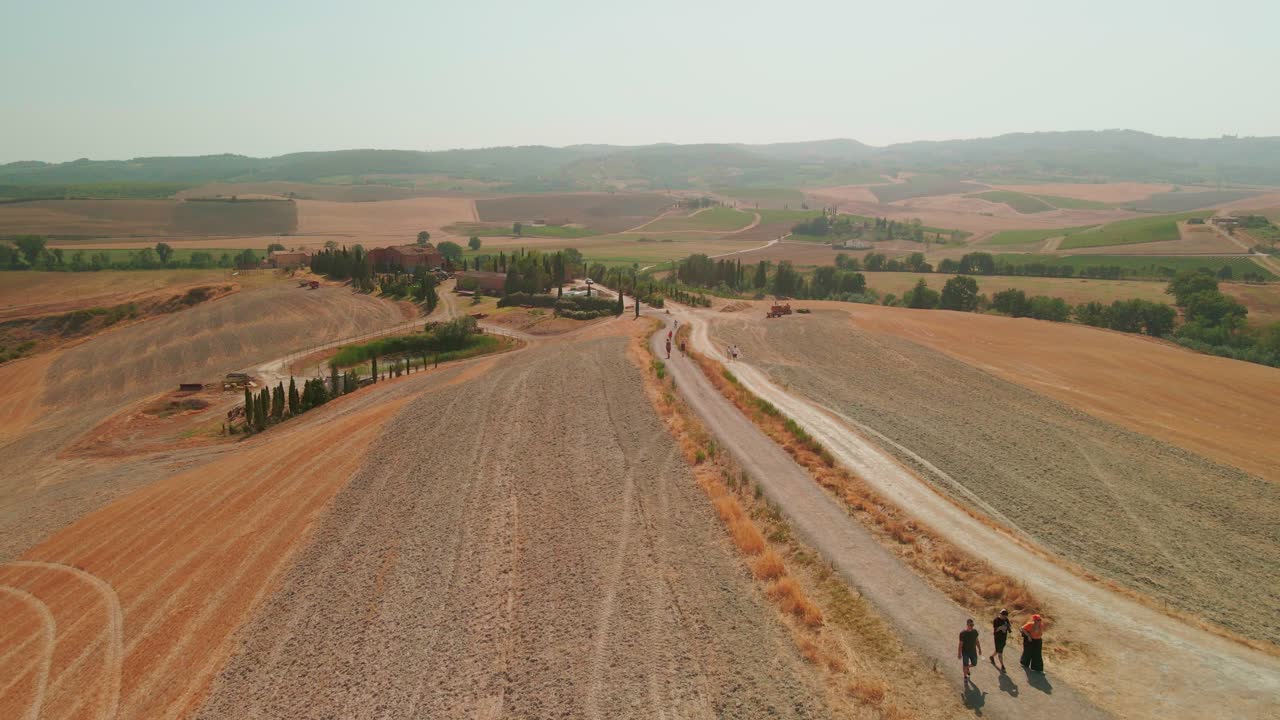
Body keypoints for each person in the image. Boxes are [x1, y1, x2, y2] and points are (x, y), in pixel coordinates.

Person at [958, 618, 982, 684]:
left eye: (972, 625)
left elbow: (977, 641)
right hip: (965, 652)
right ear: (967, 625)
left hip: (973, 651)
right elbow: (960, 644)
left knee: (974, 663)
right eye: (970, 625)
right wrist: (959, 653)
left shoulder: (975, 632)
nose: (971, 626)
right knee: (965, 664)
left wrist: (979, 649)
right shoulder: (963, 633)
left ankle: (967, 667)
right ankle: (965, 677)